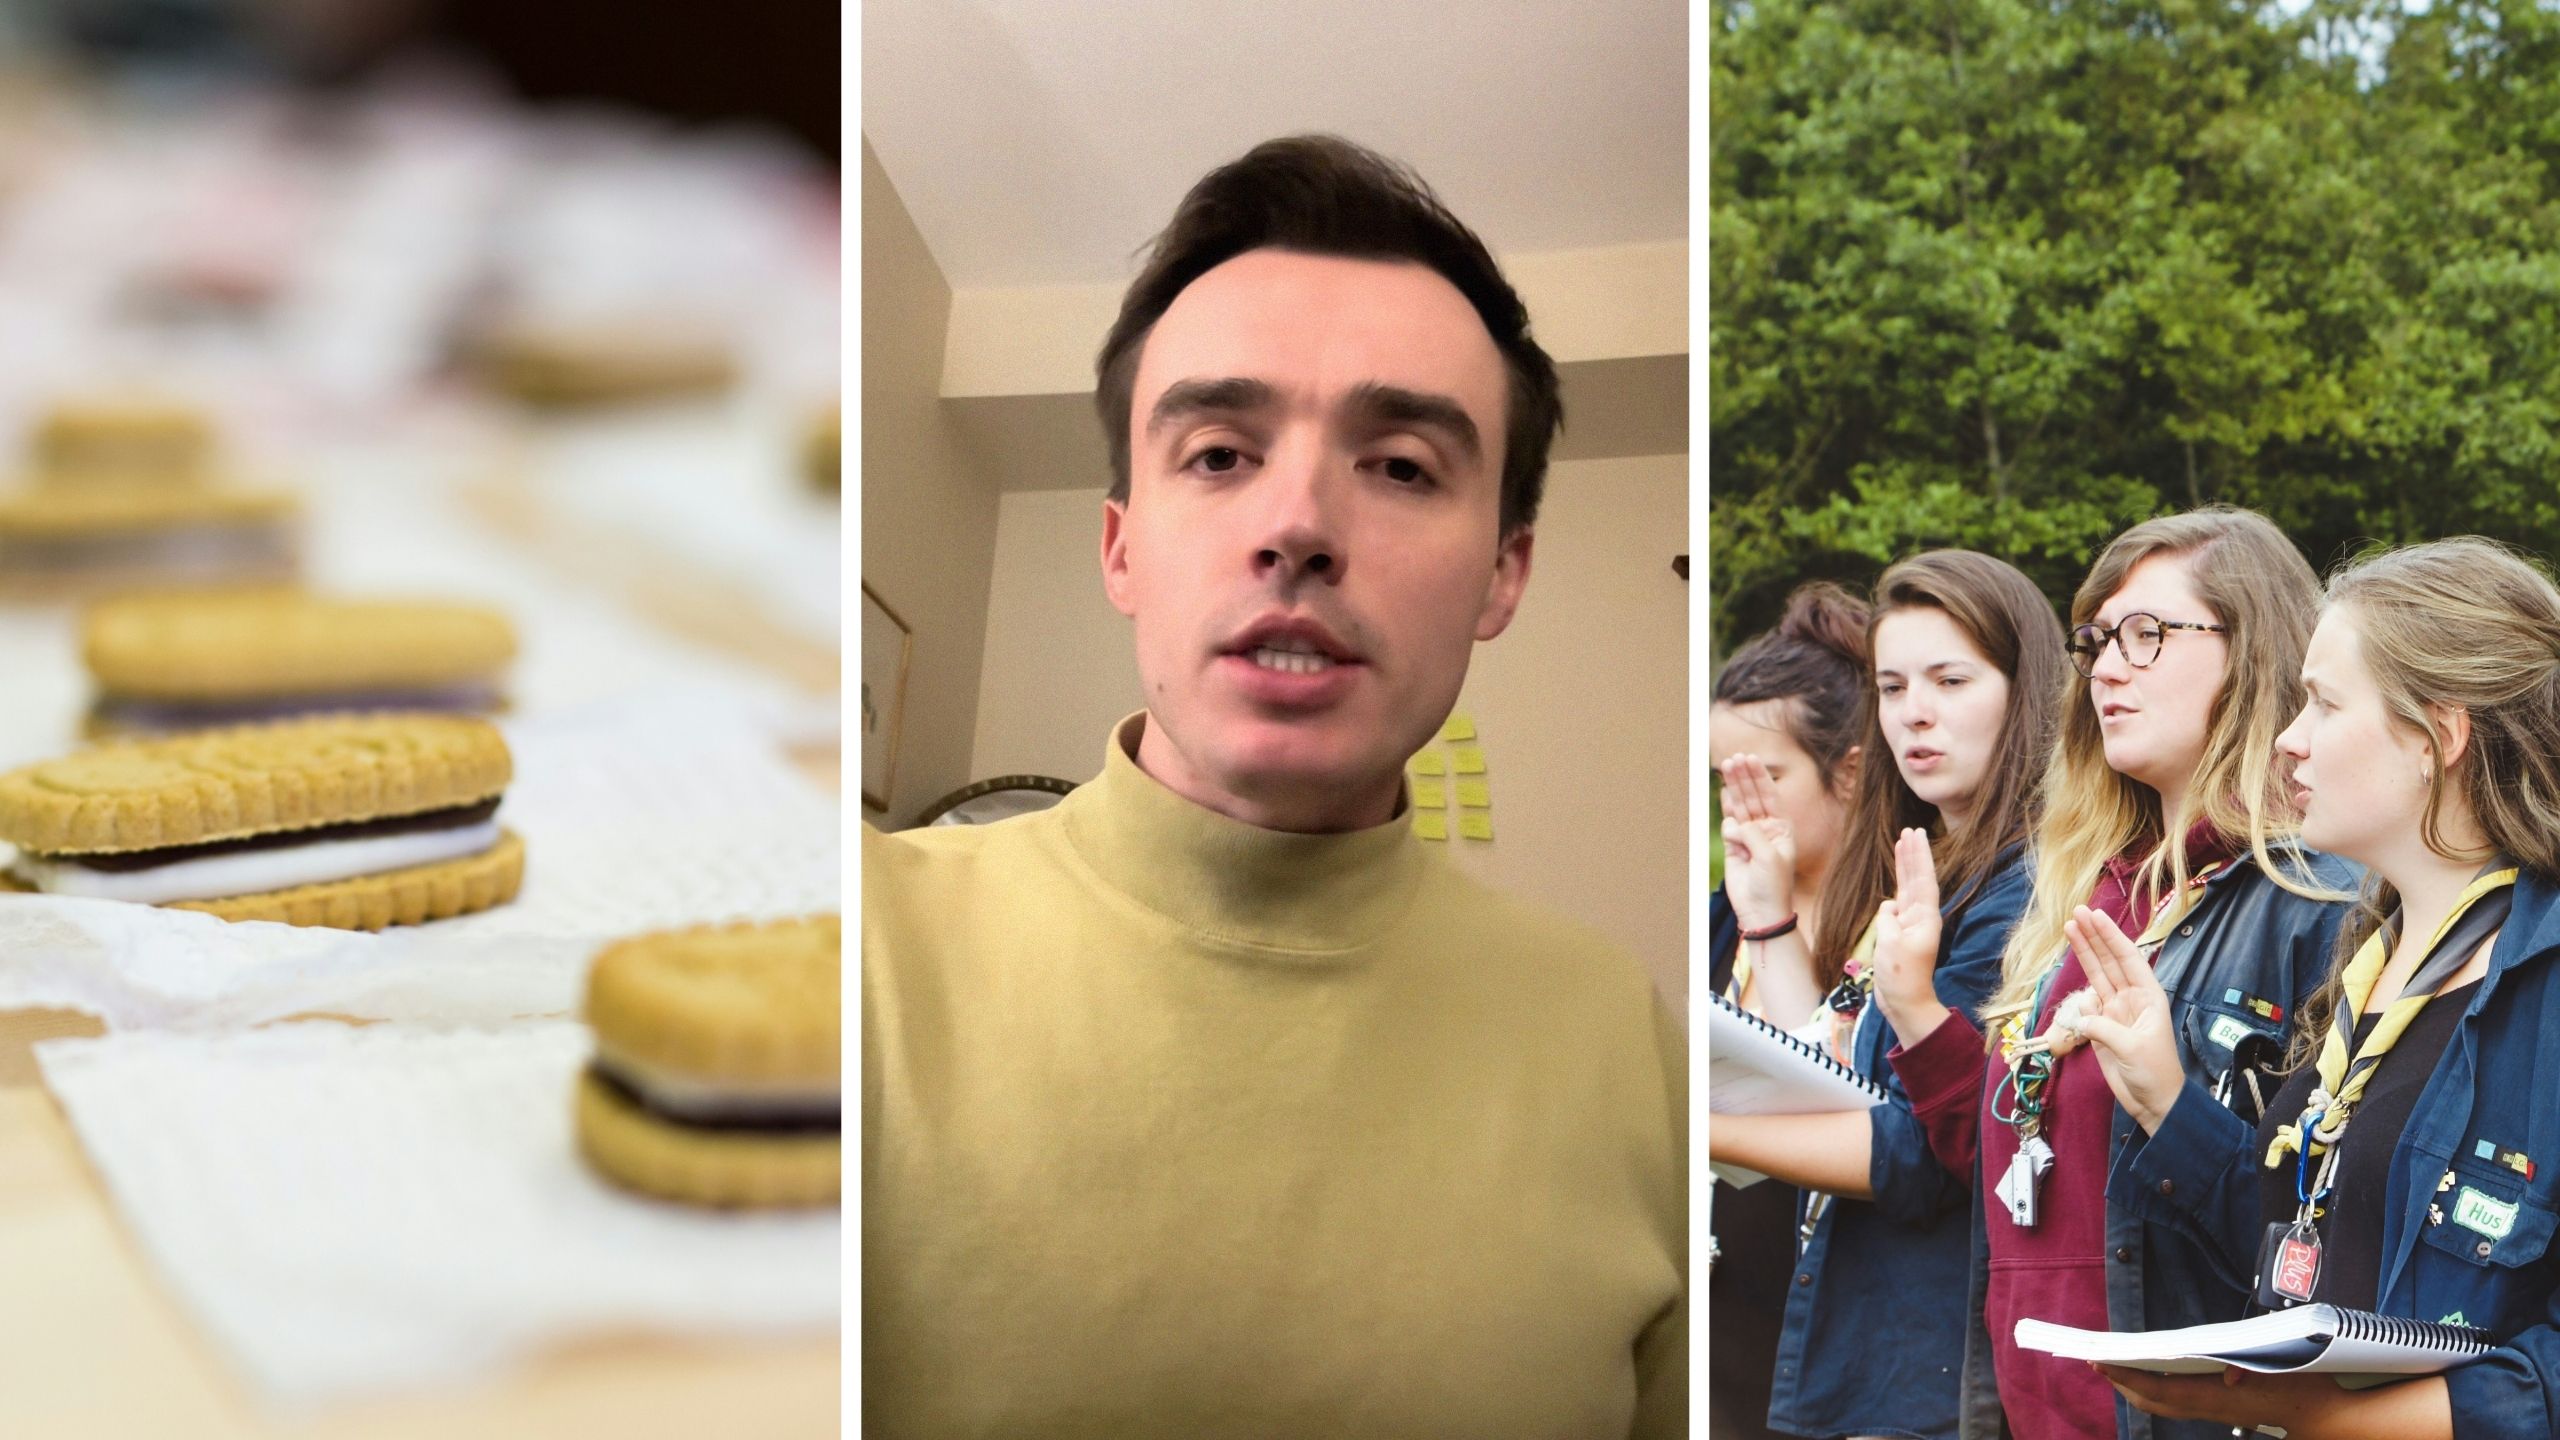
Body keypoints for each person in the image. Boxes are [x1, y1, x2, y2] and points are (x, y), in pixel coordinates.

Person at [861, 136, 1684, 1439]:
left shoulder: (1625, 1040)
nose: (1295, 523)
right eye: (1219, 453)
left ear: (1503, 575)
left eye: (1403, 465)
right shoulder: (843, 943)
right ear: (1121, 544)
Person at [1882, 508, 2356, 1440]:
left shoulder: (2322, 899)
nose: (2102, 667)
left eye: (2147, 636)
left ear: (2254, 651)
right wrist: (1913, 1014)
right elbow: (2018, 1170)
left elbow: (2325, 1243)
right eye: (2097, 639)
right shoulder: (2084, 887)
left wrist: (2173, 1106)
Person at [2079, 538, 2560, 1439]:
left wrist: (2321, 1419)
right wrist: (2165, 1098)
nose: (2289, 739)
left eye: (2324, 704)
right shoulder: (2368, 956)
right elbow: (2298, 1242)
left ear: (2436, 738)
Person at [1710, 550, 2061, 1440]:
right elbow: (1825, 1084)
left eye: (1950, 679)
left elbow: (1916, 1152)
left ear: (2024, 690)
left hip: (1930, 1373)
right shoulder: (1929, 867)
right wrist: (1764, 920)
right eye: (1893, 684)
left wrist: (1695, 1124)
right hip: (1855, 1358)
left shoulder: (2025, 888)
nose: (1916, 712)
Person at [1708, 579, 1871, 1439]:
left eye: (1764, 777)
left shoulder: (1897, 924)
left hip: (1815, 1312)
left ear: (1848, 772)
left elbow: (1828, 1103)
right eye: (1720, 782)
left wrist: (1771, 917)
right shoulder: (1712, 916)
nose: (1739, 807)